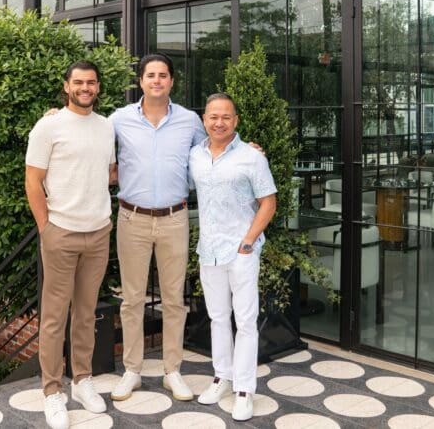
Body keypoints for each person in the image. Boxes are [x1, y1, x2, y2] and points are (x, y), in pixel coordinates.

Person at [108, 54, 205, 403]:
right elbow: (88, 138)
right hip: (131, 218)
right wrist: (55, 117)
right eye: (150, 75)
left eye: (163, 75)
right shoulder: (119, 120)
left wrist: (245, 149)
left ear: (172, 82)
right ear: (141, 81)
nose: (157, 81)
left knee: (175, 299)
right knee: (132, 299)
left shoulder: (190, 121)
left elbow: (212, 151)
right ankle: (132, 370)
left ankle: (172, 370)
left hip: (175, 218)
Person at [25, 60, 116, 429]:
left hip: (98, 232)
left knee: (86, 312)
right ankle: (51, 392)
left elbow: (109, 173)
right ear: (67, 86)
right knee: (53, 317)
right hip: (60, 232)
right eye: (78, 82)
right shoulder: (48, 126)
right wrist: (46, 228)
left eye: (91, 82)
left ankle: (82, 381)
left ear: (97, 87)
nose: (85, 88)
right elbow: (33, 181)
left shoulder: (106, 126)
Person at [189, 93, 277, 422]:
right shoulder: (195, 156)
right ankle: (221, 378)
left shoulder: (251, 157)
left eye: (226, 117)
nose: (219, 122)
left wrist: (248, 241)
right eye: (213, 116)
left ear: (235, 121)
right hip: (209, 250)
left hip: (241, 250)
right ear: (204, 120)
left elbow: (268, 202)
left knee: (246, 321)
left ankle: (244, 390)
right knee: (217, 318)